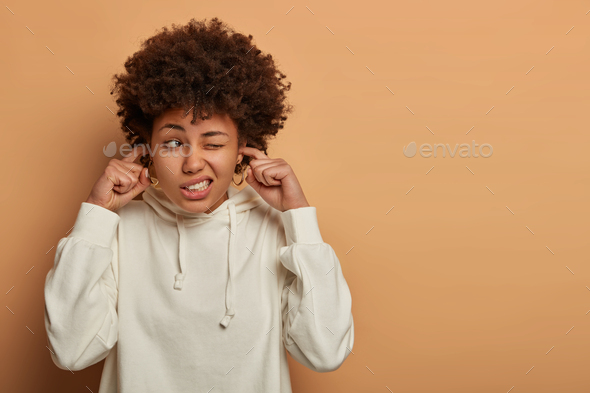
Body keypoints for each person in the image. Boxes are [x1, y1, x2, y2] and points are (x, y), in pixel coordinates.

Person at [43, 17, 354, 393]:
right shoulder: (119, 229)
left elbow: (325, 352)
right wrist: (95, 215)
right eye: (174, 143)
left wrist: (299, 219)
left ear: (243, 149)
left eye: (213, 142)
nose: (192, 163)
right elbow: (72, 352)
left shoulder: (276, 230)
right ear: (148, 148)